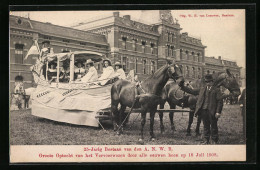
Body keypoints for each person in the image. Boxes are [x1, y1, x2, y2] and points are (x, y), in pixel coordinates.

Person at [178, 74, 223, 144]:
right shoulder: (202, 89)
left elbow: (220, 101)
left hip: (212, 111)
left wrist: (218, 112)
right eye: (206, 82)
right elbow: (191, 91)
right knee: (206, 126)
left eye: (209, 82)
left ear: (212, 82)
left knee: (214, 126)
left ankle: (214, 140)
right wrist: (182, 86)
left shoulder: (216, 90)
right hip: (204, 110)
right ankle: (206, 140)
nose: (207, 83)